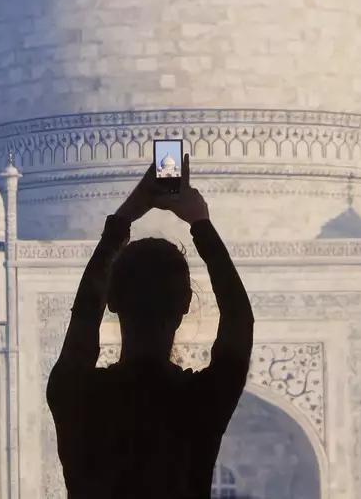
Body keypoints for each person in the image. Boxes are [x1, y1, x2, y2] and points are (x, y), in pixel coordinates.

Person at [48, 157, 253, 498]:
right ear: (186, 304)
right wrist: (199, 222)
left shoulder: (76, 393)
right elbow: (239, 320)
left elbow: (84, 313)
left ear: (112, 300)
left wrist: (126, 216)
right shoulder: (200, 401)